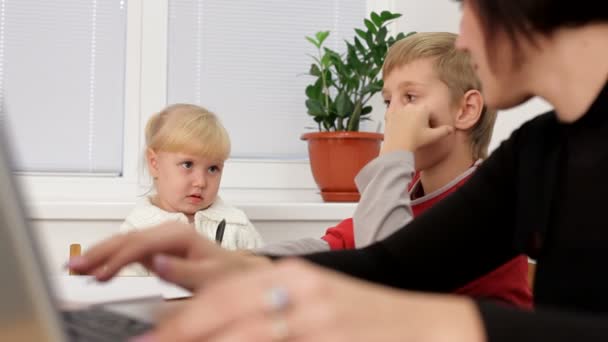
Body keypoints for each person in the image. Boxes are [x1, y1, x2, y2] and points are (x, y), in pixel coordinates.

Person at [70, 0, 608, 340]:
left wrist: (431, 324)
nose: (464, 34)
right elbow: (394, 265)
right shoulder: (539, 150)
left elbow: (405, 298)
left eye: (468, 4)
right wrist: (239, 269)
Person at [259, 32, 530, 308]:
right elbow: (334, 246)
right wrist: (246, 262)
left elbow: (390, 278)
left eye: (410, 97)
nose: (391, 115)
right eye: (389, 101)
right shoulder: (405, 190)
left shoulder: (489, 201)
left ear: (465, 110)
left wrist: (394, 152)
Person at [120, 104, 263, 275]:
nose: (201, 182)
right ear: (154, 163)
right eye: (187, 164)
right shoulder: (138, 231)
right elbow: (126, 293)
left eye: (212, 169)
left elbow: (265, 281)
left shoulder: (237, 226)